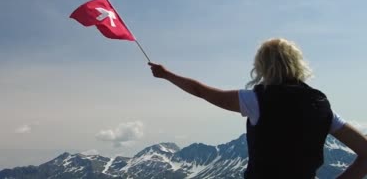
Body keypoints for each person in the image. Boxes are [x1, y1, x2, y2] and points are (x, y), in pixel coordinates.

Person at [148, 38, 367, 179]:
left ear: (261, 66)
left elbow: (200, 91)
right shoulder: (320, 105)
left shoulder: (256, 100)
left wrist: (166, 75)